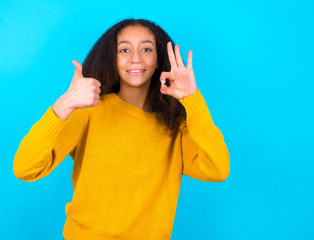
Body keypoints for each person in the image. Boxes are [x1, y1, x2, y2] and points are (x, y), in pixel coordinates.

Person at [13, 18, 230, 240]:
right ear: (112, 58)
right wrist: (65, 103)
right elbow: (26, 168)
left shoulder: (175, 126)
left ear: (158, 60)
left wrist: (192, 100)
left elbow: (217, 169)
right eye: (124, 50)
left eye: (146, 49)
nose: (135, 58)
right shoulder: (89, 110)